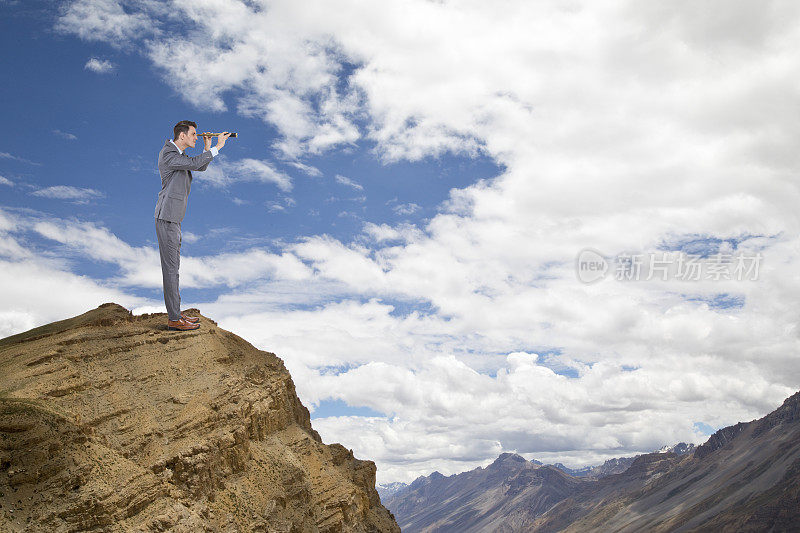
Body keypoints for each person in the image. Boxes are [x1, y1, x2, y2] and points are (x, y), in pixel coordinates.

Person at [155, 121, 230, 331]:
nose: (197, 138)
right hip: (167, 217)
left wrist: (207, 148)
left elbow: (199, 166)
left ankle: (176, 314)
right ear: (182, 136)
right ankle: (174, 319)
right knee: (171, 270)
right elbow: (196, 164)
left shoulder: (179, 156)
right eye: (194, 134)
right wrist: (217, 147)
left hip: (174, 218)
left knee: (174, 269)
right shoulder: (169, 154)